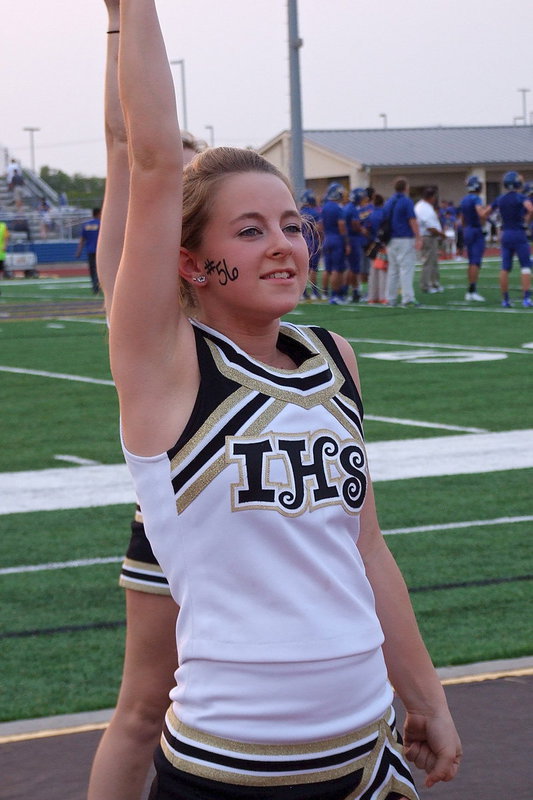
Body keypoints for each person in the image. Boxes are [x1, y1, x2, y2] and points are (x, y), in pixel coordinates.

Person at [107, 2, 462, 798]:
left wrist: (426, 696)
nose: (283, 245)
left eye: (293, 225)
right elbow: (152, 160)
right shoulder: (167, 367)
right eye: (249, 231)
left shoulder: (334, 358)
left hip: (366, 755)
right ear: (191, 264)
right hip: (233, 769)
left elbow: (364, 547)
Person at [87, 5, 204, 797]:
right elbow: (129, 146)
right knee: (143, 709)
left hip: (267, 510)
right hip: (178, 515)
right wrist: (118, 20)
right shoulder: (140, 295)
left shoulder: (250, 292)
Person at [491, 171, 533, 308]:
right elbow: (530, 209)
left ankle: (505, 299)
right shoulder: (520, 197)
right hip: (518, 233)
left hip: (506, 233)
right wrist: (526, 219)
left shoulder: (500, 199)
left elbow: (486, 213)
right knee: (525, 267)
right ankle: (526, 298)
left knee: (504, 268)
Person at [383, 177, 420, 306]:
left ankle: (390, 297)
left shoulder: (389, 201)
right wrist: (418, 237)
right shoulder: (406, 201)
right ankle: (407, 297)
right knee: (406, 268)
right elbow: (412, 220)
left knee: (393, 269)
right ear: (406, 187)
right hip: (404, 237)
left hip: (391, 239)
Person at [459, 176, 491, 302]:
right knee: (475, 262)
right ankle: (472, 290)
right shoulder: (476, 199)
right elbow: (481, 213)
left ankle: (471, 289)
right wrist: (488, 211)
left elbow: (462, 219)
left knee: (471, 261)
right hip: (476, 230)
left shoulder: (464, 199)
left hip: (468, 230)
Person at [414, 187, 444, 294]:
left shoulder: (423, 206)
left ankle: (434, 282)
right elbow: (429, 226)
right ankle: (426, 285)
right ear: (431, 197)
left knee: (433, 261)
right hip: (428, 236)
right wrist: (441, 234)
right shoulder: (424, 208)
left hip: (431, 236)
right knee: (428, 262)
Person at [321, 181, 347, 303]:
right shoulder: (338, 208)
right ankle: (336, 295)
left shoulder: (325, 207)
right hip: (337, 239)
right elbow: (341, 225)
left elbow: (320, 226)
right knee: (337, 269)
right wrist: (346, 242)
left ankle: (325, 293)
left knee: (328, 269)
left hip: (327, 238)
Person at [299, 188, 322, 300]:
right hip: (312, 241)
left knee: (303, 268)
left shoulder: (298, 212)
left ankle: (302, 292)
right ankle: (314, 291)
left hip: (301, 241)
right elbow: (319, 229)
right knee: (313, 268)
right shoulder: (315, 213)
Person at [76, 208, 102, 293]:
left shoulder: (86, 225)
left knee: (92, 269)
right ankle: (98, 285)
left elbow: (82, 239)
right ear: (98, 213)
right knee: (100, 269)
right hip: (99, 250)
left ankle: (94, 286)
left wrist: (79, 251)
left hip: (89, 250)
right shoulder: (100, 224)